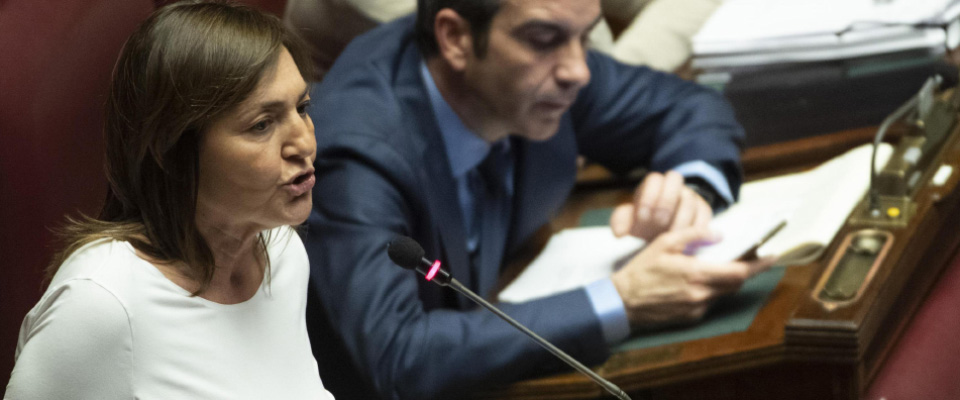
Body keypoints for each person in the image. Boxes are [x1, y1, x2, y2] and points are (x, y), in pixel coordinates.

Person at [303, 0, 774, 399]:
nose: (579, 71)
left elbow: (688, 106)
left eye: (585, 37)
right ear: (455, 39)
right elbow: (398, 354)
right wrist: (624, 300)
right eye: (544, 39)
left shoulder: (540, 70)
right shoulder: (358, 152)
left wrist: (688, 190)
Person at [4, 2, 335, 399]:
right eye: (262, 125)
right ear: (171, 149)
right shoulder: (102, 307)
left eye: (302, 109)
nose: (304, 142)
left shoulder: (281, 251)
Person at [283, 0, 721, 79]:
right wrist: (612, 82)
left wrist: (623, 77)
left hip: (527, 126)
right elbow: (552, 37)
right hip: (395, 180)